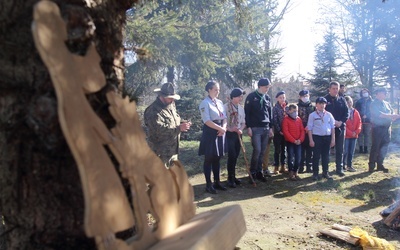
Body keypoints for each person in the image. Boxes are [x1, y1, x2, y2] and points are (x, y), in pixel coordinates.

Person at [144, 82, 192, 167]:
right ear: (162, 97)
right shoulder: (153, 111)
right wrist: (179, 128)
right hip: (159, 154)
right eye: (170, 98)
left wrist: (182, 123)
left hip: (172, 153)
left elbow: (172, 121)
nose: (172, 100)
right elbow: (159, 130)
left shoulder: (170, 105)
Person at [199, 81, 227, 194]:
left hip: (220, 131)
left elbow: (224, 117)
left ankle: (217, 182)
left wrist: (223, 128)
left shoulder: (220, 102)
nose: (217, 91)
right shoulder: (204, 103)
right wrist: (219, 129)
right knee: (209, 158)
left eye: (218, 89)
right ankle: (208, 184)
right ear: (209, 90)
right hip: (211, 132)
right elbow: (206, 120)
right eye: (215, 89)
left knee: (218, 157)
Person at [244, 78, 274, 183]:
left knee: (263, 151)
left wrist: (271, 127)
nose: (267, 89)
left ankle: (259, 171)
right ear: (260, 86)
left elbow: (270, 113)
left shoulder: (267, 98)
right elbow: (247, 113)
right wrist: (249, 127)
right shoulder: (251, 97)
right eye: (266, 87)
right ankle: (252, 172)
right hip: (255, 128)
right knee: (257, 150)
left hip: (266, 127)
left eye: (268, 87)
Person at [368, 88, 400, 173]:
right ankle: (371, 165)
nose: (385, 94)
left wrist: (394, 117)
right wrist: (391, 116)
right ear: (377, 94)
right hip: (377, 128)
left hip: (387, 128)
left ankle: (380, 164)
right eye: (382, 93)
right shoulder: (373, 104)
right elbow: (380, 115)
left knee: (384, 147)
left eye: (385, 93)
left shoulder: (387, 104)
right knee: (376, 146)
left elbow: (391, 114)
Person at [307, 97, 335, 181]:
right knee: (316, 156)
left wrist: (333, 139)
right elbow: (309, 128)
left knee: (326, 156)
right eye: (320, 103)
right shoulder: (312, 115)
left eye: (323, 103)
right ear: (316, 104)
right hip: (317, 137)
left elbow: (332, 127)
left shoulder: (329, 114)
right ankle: (315, 173)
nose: (322, 105)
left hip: (327, 137)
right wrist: (311, 140)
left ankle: (325, 172)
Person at [325, 81, 349, 177]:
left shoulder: (342, 100)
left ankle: (339, 168)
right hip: (327, 129)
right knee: (326, 150)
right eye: (333, 88)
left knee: (340, 150)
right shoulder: (325, 100)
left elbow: (346, 113)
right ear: (329, 89)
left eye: (337, 88)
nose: (335, 90)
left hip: (340, 128)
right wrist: (332, 122)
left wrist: (341, 122)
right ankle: (325, 170)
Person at [224, 88, 246, 188]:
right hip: (229, 134)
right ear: (233, 96)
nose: (241, 98)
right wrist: (229, 129)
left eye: (242, 96)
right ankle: (230, 178)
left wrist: (241, 129)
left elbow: (244, 122)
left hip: (238, 134)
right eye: (239, 96)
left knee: (236, 155)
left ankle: (234, 176)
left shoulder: (241, 108)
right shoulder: (226, 107)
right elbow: (223, 121)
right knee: (231, 155)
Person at [282, 104, 305, 180]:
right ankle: (291, 171)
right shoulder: (286, 119)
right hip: (290, 142)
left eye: (297, 111)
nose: (296, 113)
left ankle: (296, 171)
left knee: (298, 157)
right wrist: (293, 140)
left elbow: (302, 130)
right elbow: (286, 132)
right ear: (289, 111)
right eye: (294, 111)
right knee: (290, 157)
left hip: (298, 142)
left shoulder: (299, 119)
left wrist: (300, 140)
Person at [297, 89, 315, 173]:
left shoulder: (312, 107)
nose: (305, 97)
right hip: (300, 130)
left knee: (310, 149)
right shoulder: (297, 107)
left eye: (307, 96)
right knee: (301, 150)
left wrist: (309, 127)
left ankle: (309, 166)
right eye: (303, 96)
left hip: (310, 130)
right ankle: (300, 166)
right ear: (300, 97)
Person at [343, 96, 362, 172]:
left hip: (355, 135)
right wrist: (350, 133)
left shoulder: (355, 112)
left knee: (351, 151)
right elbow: (343, 124)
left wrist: (357, 131)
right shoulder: (344, 112)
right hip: (346, 135)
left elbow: (359, 122)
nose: (349, 103)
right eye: (347, 102)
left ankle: (349, 165)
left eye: (350, 102)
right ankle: (343, 165)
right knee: (345, 151)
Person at [272, 91, 288, 174]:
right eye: (280, 98)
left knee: (284, 150)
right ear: (277, 99)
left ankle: (283, 166)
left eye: (284, 97)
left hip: (286, 133)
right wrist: (279, 130)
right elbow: (275, 120)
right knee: (277, 150)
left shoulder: (287, 108)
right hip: (278, 133)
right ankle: (276, 166)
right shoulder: (275, 108)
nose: (282, 99)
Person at [354, 88, 373, 154]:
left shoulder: (371, 101)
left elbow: (373, 110)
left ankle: (366, 148)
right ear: (361, 94)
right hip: (360, 121)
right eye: (363, 92)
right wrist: (361, 115)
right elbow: (356, 110)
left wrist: (367, 115)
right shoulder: (359, 101)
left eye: (366, 92)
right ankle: (361, 148)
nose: (365, 93)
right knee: (360, 135)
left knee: (367, 135)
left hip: (368, 121)